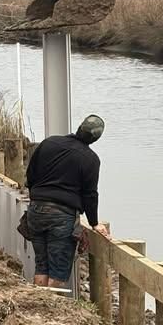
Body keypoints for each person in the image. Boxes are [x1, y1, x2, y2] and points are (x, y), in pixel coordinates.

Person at [25, 115, 109, 287]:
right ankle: (51, 309)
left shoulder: (49, 143)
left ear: (79, 128)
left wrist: (36, 196)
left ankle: (40, 304)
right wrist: (94, 223)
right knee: (58, 270)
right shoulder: (90, 159)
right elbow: (90, 194)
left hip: (36, 210)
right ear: (96, 138)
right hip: (61, 216)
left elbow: (30, 174)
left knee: (41, 265)